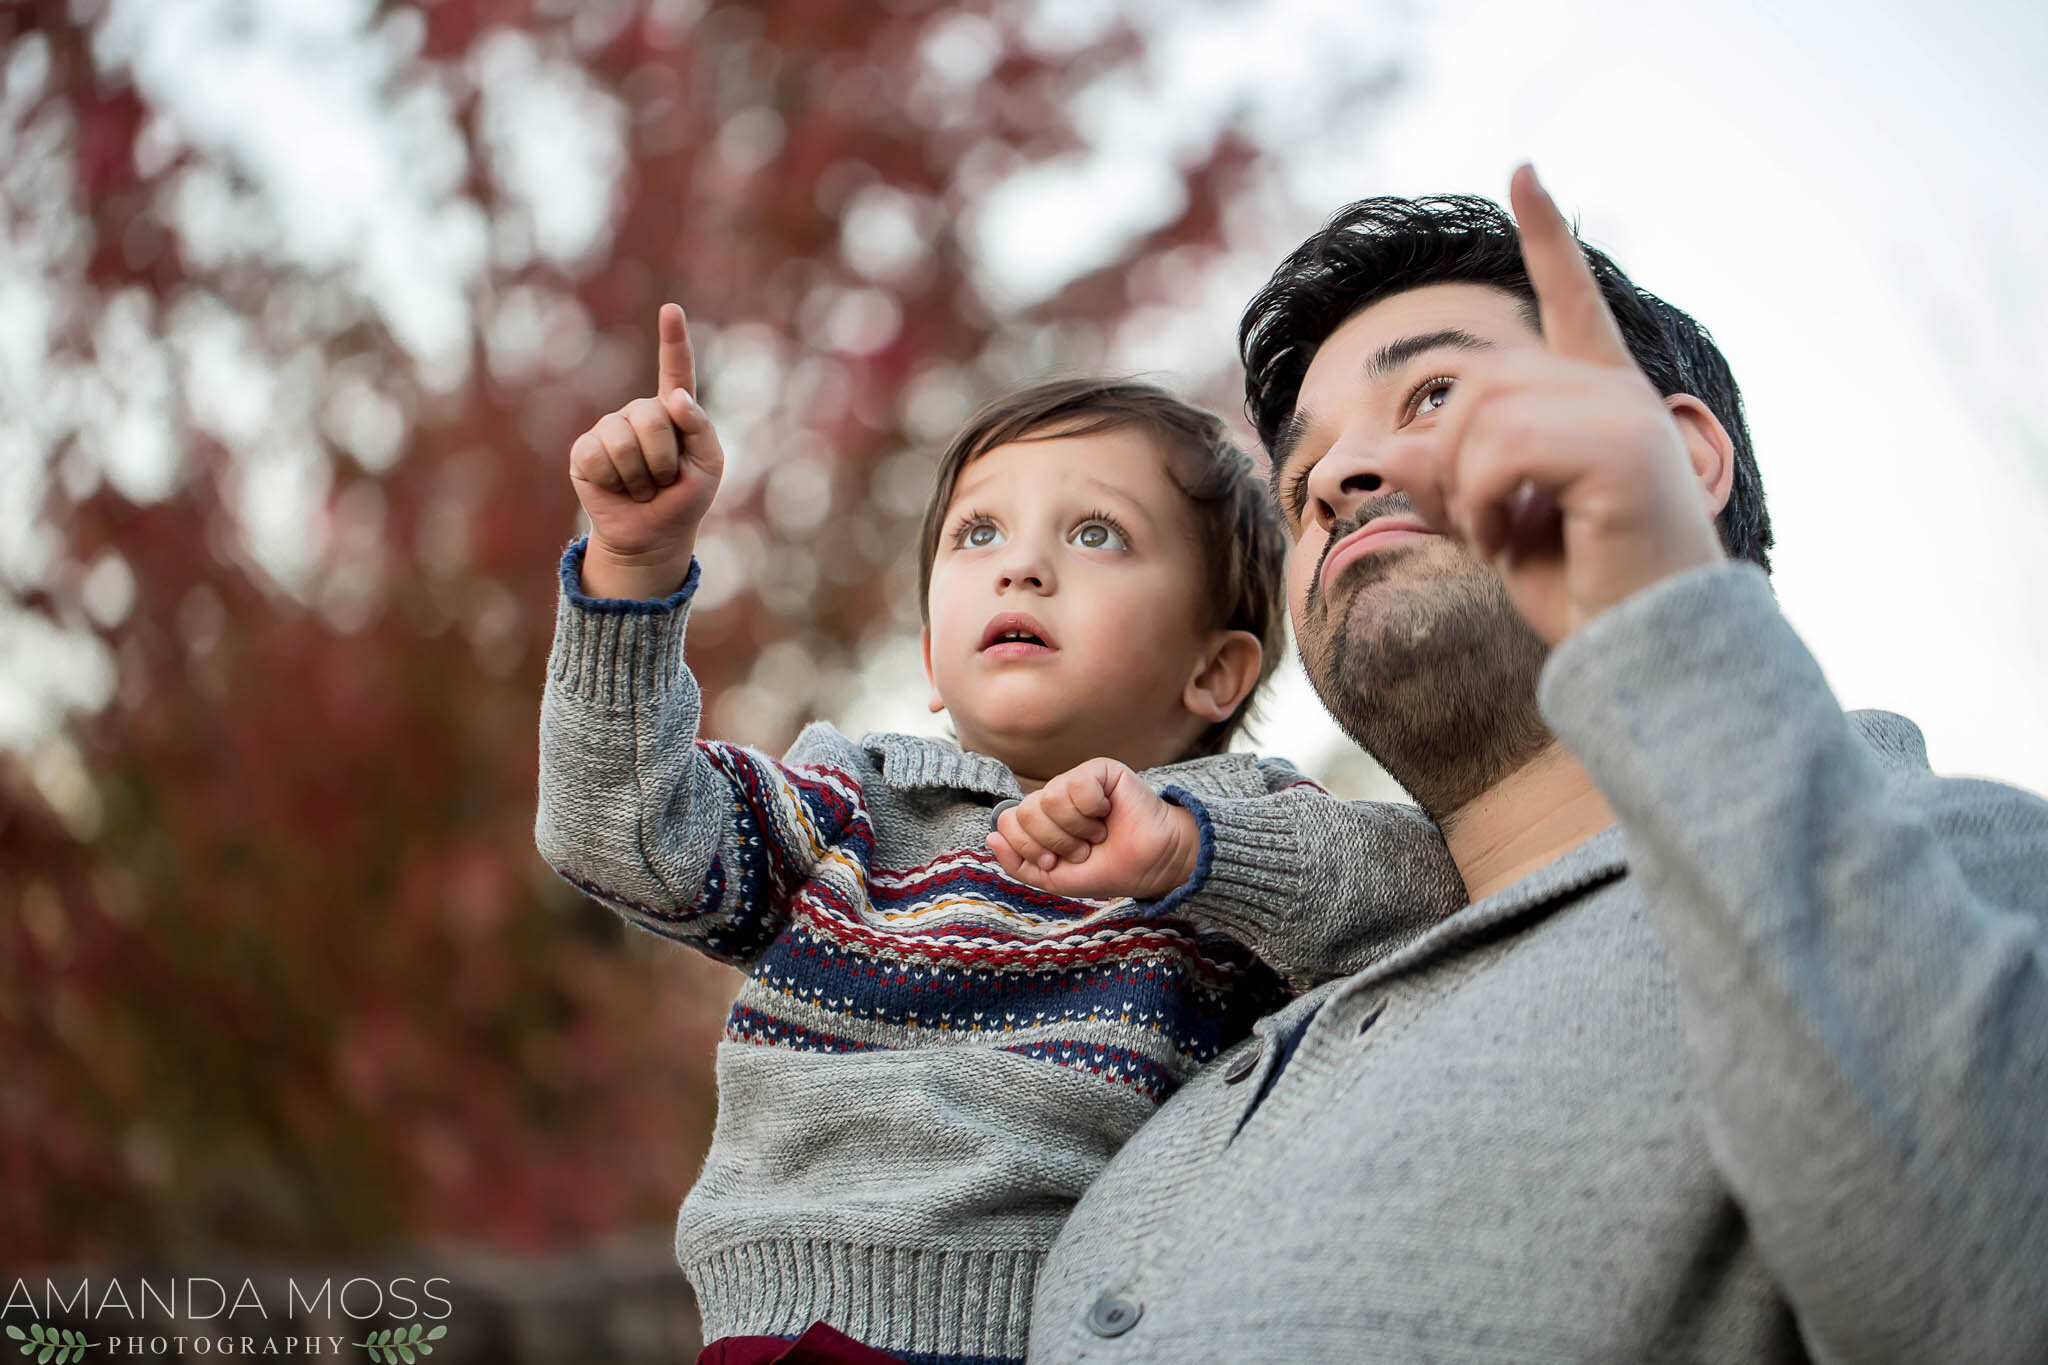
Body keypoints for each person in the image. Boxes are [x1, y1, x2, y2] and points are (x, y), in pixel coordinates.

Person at [1001, 167, 2048, 1361]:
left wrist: (1662, 612)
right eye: (1300, 484)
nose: (1338, 483)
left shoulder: (1963, 869)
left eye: (1435, 394)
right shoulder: (1187, 1050)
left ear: (1678, 456)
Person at [533, 324, 1464, 1363]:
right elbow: (619, 835)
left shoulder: (1235, 829)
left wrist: (1192, 852)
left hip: (1081, 1331)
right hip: (782, 1330)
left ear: (1214, 673)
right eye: (977, 535)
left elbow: (1432, 889)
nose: (1020, 566)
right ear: (931, 660)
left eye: (1096, 534)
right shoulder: (852, 803)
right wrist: (631, 566)